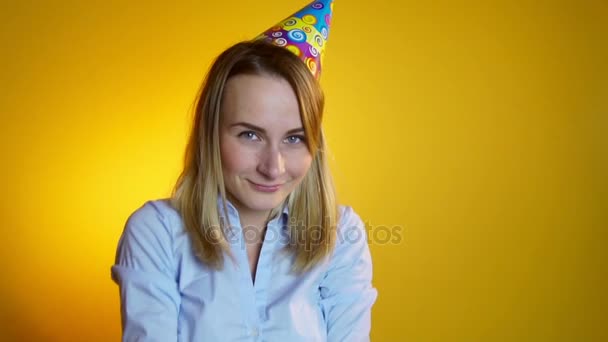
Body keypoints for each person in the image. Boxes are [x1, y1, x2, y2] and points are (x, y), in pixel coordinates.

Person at [111, 1, 378, 341]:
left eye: (294, 138)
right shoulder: (157, 232)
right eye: (250, 135)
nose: (273, 167)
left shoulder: (342, 238)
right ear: (211, 132)